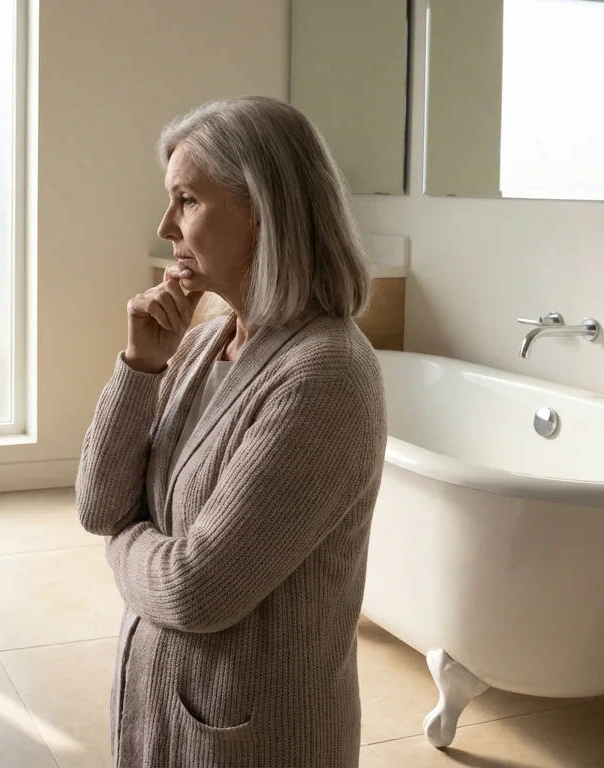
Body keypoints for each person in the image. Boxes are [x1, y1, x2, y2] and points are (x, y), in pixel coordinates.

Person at [76, 95, 388, 767]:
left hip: (254, 740)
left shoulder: (323, 375)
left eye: (187, 200)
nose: (165, 226)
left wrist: (125, 544)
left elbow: (196, 589)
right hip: (164, 715)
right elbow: (98, 506)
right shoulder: (203, 343)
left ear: (263, 211)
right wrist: (140, 366)